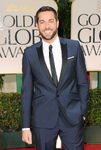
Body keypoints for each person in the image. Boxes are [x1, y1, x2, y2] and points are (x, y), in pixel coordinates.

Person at [21, 6, 89, 150]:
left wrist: (82, 111)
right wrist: (25, 126)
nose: (47, 26)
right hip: (43, 119)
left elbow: (83, 81)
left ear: (57, 23)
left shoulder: (74, 47)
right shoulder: (29, 54)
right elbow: (26, 91)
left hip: (72, 117)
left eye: (51, 21)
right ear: (37, 25)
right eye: (42, 22)